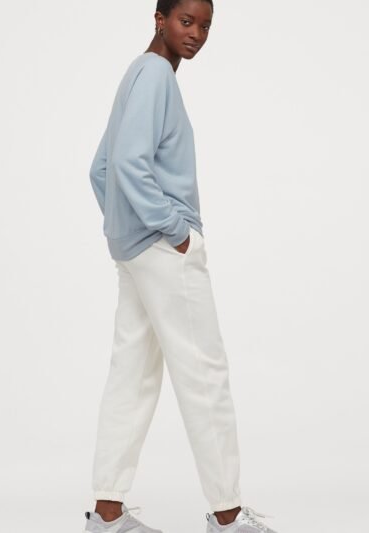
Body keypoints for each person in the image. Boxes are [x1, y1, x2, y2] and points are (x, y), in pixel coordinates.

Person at [85, 1, 279, 532]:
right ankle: (228, 516)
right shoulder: (156, 77)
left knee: (132, 375)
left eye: (205, 25)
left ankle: (106, 514)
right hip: (162, 250)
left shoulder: (137, 72)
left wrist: (124, 226)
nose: (196, 34)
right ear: (159, 19)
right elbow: (125, 166)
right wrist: (173, 232)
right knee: (204, 374)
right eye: (185, 21)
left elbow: (100, 170)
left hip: (134, 251)